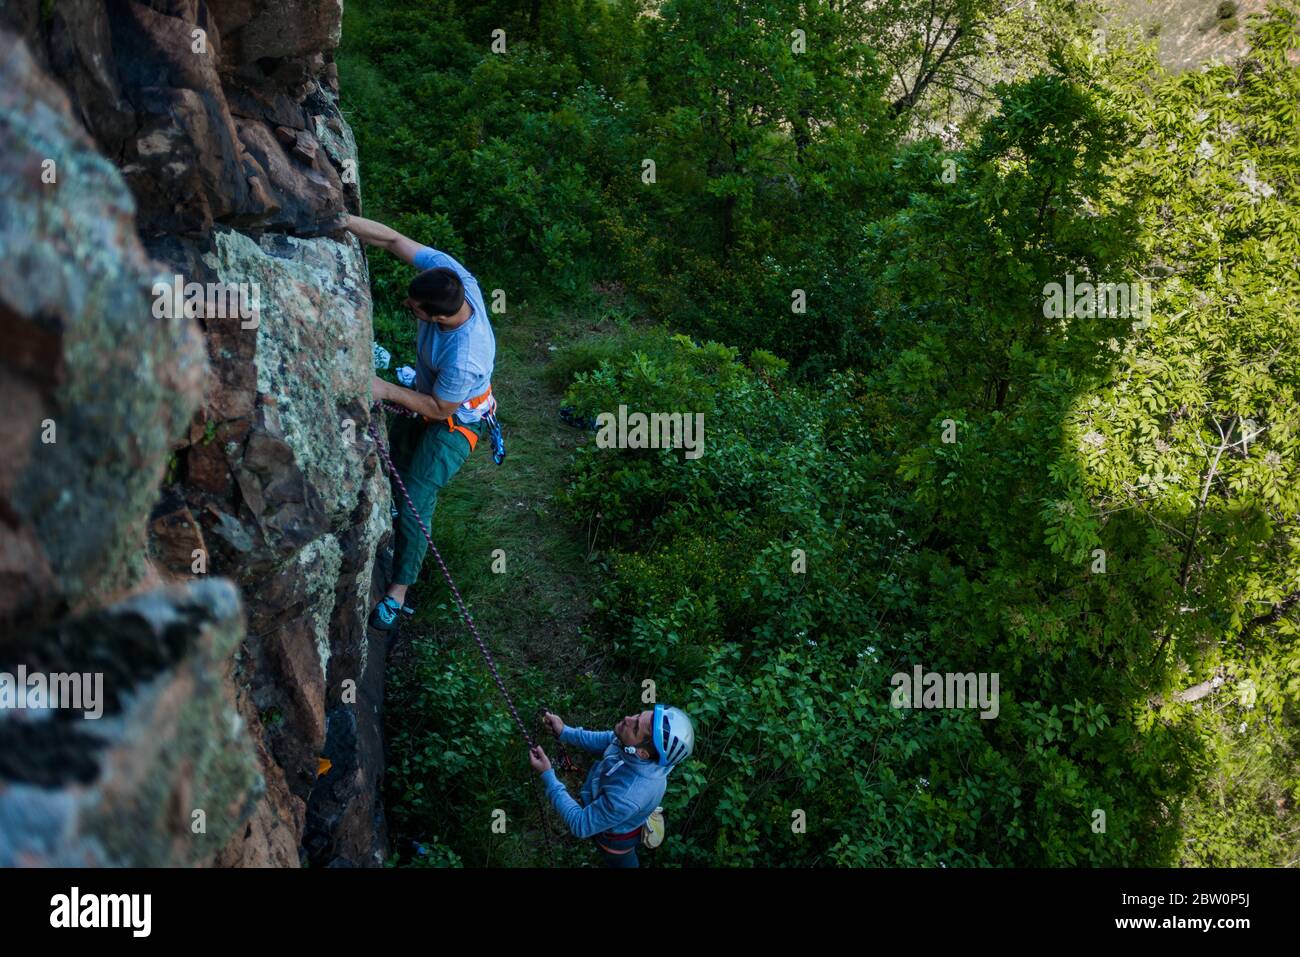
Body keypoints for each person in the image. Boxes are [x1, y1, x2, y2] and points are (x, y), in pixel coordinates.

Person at [343, 214, 497, 632]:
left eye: (414, 309)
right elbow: (393, 239)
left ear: (437, 318)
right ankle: (393, 527)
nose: (408, 307)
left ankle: (399, 591)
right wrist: (340, 219)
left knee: (415, 501)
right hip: (430, 399)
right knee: (395, 470)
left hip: (454, 424)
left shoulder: (466, 357)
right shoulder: (453, 279)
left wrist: (384, 389)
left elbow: (439, 410)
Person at [529, 704, 695, 867]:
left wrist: (548, 776)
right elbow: (609, 740)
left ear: (642, 753)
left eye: (636, 727)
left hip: (615, 844)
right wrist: (565, 731)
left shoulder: (627, 795)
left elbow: (580, 824)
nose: (628, 718)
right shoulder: (633, 746)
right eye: (638, 715)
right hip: (620, 813)